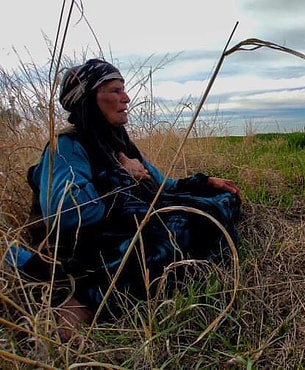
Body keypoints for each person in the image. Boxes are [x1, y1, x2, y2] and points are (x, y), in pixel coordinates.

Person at [6, 58, 242, 336]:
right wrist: (121, 175)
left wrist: (205, 182)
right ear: (89, 99)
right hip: (86, 243)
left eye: (124, 90)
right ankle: (73, 295)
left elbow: (163, 185)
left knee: (220, 203)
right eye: (115, 91)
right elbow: (68, 213)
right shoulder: (67, 146)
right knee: (178, 232)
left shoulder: (118, 142)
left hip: (120, 225)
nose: (126, 98)